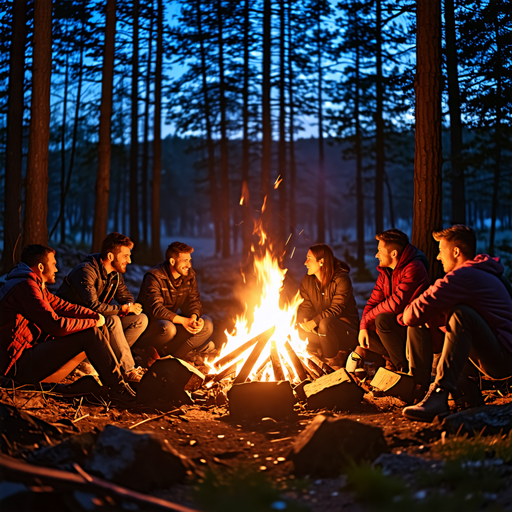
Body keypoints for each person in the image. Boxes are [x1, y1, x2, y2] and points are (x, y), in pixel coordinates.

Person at [402, 225, 512, 422]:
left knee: (461, 315)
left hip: (504, 361)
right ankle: (466, 395)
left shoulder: (463, 276)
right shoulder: (484, 272)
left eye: (441, 251)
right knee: (452, 316)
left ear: (456, 252)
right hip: (496, 352)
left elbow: (411, 315)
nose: (437, 257)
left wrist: (428, 312)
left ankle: (437, 396)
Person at [0, 245, 135, 400]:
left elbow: (63, 306)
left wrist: (94, 316)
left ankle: (112, 383)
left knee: (96, 326)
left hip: (25, 355)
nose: (56, 269)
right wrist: (93, 322)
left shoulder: (32, 284)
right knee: (90, 333)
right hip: (16, 365)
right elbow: (56, 326)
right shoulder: (26, 287)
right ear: (40, 267)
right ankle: (118, 388)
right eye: (53, 264)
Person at [57, 233, 148, 382]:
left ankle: (110, 359)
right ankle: (128, 370)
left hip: (97, 321)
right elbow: (93, 306)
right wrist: (122, 310)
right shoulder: (86, 271)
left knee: (140, 319)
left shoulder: (114, 275)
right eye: (125, 256)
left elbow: (125, 296)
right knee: (113, 320)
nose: (129, 261)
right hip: (76, 324)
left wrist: (130, 306)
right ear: (111, 256)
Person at [358, 229, 430, 372]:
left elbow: (395, 304)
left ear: (394, 253)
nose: (376, 255)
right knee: (366, 330)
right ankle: (388, 361)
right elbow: (373, 301)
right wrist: (363, 325)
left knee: (381, 319)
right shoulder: (386, 272)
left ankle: (401, 368)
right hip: (397, 325)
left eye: (379, 250)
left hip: (413, 329)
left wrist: (368, 319)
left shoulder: (414, 268)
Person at [136, 241, 214, 360]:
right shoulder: (154, 276)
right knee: (168, 329)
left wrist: (194, 318)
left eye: (189, 260)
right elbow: (156, 309)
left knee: (207, 324)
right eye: (184, 260)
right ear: (172, 261)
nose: (189, 265)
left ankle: (177, 358)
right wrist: (183, 321)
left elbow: (194, 301)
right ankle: (145, 351)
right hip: (151, 327)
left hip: (173, 322)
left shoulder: (189, 276)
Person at [297, 244, 360, 368]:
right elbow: (305, 306)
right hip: (320, 329)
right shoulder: (307, 280)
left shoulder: (341, 279)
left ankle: (333, 362)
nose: (305, 262)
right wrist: (303, 319)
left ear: (321, 262)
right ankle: (315, 356)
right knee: (296, 328)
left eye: (309, 258)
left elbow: (337, 309)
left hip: (345, 330)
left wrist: (314, 322)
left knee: (325, 324)